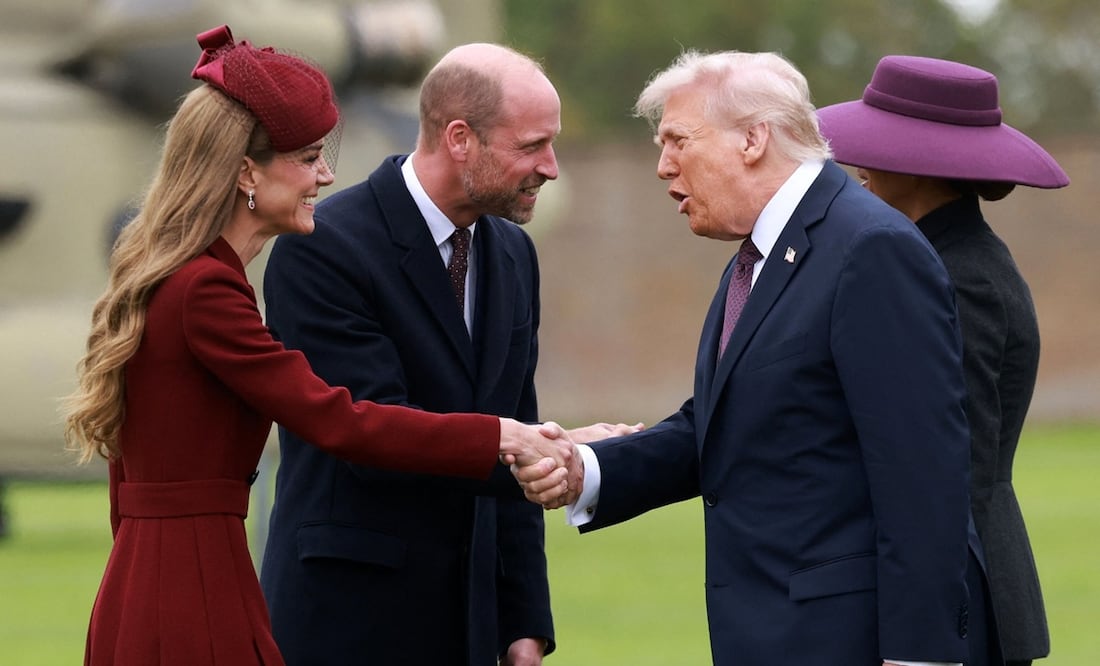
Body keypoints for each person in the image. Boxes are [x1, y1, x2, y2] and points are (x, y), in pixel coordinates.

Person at [60, 26, 570, 666]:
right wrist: (510, 438)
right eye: (306, 159)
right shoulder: (208, 291)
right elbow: (342, 420)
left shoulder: (189, 279)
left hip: (164, 579)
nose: (324, 176)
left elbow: (126, 474)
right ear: (247, 171)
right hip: (201, 590)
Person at [517, 50, 1001, 666]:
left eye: (676, 140)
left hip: (853, 640)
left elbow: (922, 477)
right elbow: (724, 425)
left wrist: (920, 657)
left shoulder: (869, 249)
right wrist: (588, 469)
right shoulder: (764, 253)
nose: (663, 166)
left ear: (752, 139)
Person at [258, 42, 637, 666]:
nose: (552, 167)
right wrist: (544, 448)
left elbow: (518, 411)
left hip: (471, 629)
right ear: (460, 138)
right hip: (348, 626)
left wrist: (524, 621)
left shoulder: (514, 255)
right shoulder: (325, 249)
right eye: (531, 146)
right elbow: (370, 438)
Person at [817, 55, 1067, 666]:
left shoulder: (960, 274)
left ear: (926, 164)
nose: (858, 163)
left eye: (878, 146)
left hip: (963, 596)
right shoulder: (931, 255)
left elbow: (943, 460)